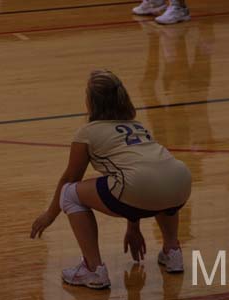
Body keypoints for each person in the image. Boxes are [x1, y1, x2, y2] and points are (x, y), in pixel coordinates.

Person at [30, 70, 192, 289]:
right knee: (162, 186)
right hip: (180, 181)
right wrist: (133, 228)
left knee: (70, 193)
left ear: (92, 102)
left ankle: (93, 269)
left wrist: (50, 214)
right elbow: (143, 177)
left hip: (139, 186)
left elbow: (70, 178)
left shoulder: (87, 132)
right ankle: (172, 252)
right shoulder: (138, 126)